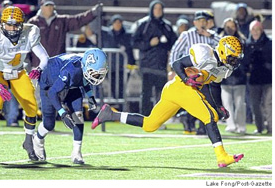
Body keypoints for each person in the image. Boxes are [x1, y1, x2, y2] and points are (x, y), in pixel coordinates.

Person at [92, 36, 244, 168]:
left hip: (176, 91)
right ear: (223, 51)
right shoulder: (205, 54)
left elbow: (214, 86)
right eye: (232, 57)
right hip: (181, 87)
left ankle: (111, 114)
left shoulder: (224, 68)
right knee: (210, 117)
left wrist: (218, 106)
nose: (234, 61)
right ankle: (221, 156)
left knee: (150, 125)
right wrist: (187, 79)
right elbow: (177, 64)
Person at [0, 6, 49, 161]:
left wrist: (39, 68)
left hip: (18, 72)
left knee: (32, 106)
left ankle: (28, 142)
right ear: (2, 23)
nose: (11, 29)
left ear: (22, 24)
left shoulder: (30, 33)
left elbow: (44, 57)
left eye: (15, 25)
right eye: (8, 24)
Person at [32, 48, 108, 164]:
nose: (97, 77)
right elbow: (53, 93)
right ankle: (37, 140)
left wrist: (90, 96)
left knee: (78, 116)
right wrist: (63, 114)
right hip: (49, 84)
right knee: (49, 124)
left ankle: (76, 153)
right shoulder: (71, 70)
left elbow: (85, 79)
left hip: (71, 85)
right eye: (95, 73)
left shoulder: (83, 66)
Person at [170, 10, 221, 134]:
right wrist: (173, 69)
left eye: (204, 21)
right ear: (195, 22)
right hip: (190, 72)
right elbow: (176, 51)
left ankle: (202, 127)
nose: (202, 23)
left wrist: (210, 36)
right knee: (191, 99)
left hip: (207, 74)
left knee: (206, 100)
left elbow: (222, 47)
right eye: (199, 21)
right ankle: (188, 121)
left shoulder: (212, 35)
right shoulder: (187, 35)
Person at [132, 0, 177, 116]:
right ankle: (145, 117)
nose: (158, 11)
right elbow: (134, 42)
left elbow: (174, 43)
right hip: (146, 65)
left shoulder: (166, 26)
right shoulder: (143, 24)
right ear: (151, 10)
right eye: (155, 8)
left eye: (160, 8)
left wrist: (166, 44)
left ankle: (158, 118)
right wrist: (149, 44)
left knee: (161, 94)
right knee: (146, 93)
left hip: (161, 65)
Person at [219, 18, 247, 134]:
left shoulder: (242, 41)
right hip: (225, 77)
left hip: (239, 77)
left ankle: (241, 125)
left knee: (240, 104)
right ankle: (231, 125)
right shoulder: (220, 40)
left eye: (232, 26)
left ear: (236, 27)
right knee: (227, 104)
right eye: (228, 26)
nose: (230, 29)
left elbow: (245, 60)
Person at [244, 20, 272, 134]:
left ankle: (271, 128)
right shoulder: (247, 44)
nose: (255, 32)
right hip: (254, 79)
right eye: (253, 29)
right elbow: (245, 61)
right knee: (254, 104)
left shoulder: (269, 43)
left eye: (257, 29)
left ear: (261, 30)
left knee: (268, 104)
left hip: (268, 78)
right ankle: (260, 127)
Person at [102, 14, 136, 100]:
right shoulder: (107, 35)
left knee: (122, 87)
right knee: (113, 87)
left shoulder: (127, 35)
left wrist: (131, 64)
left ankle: (121, 105)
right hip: (111, 67)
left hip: (123, 67)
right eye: (115, 22)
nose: (117, 24)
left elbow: (129, 51)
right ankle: (115, 104)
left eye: (119, 22)